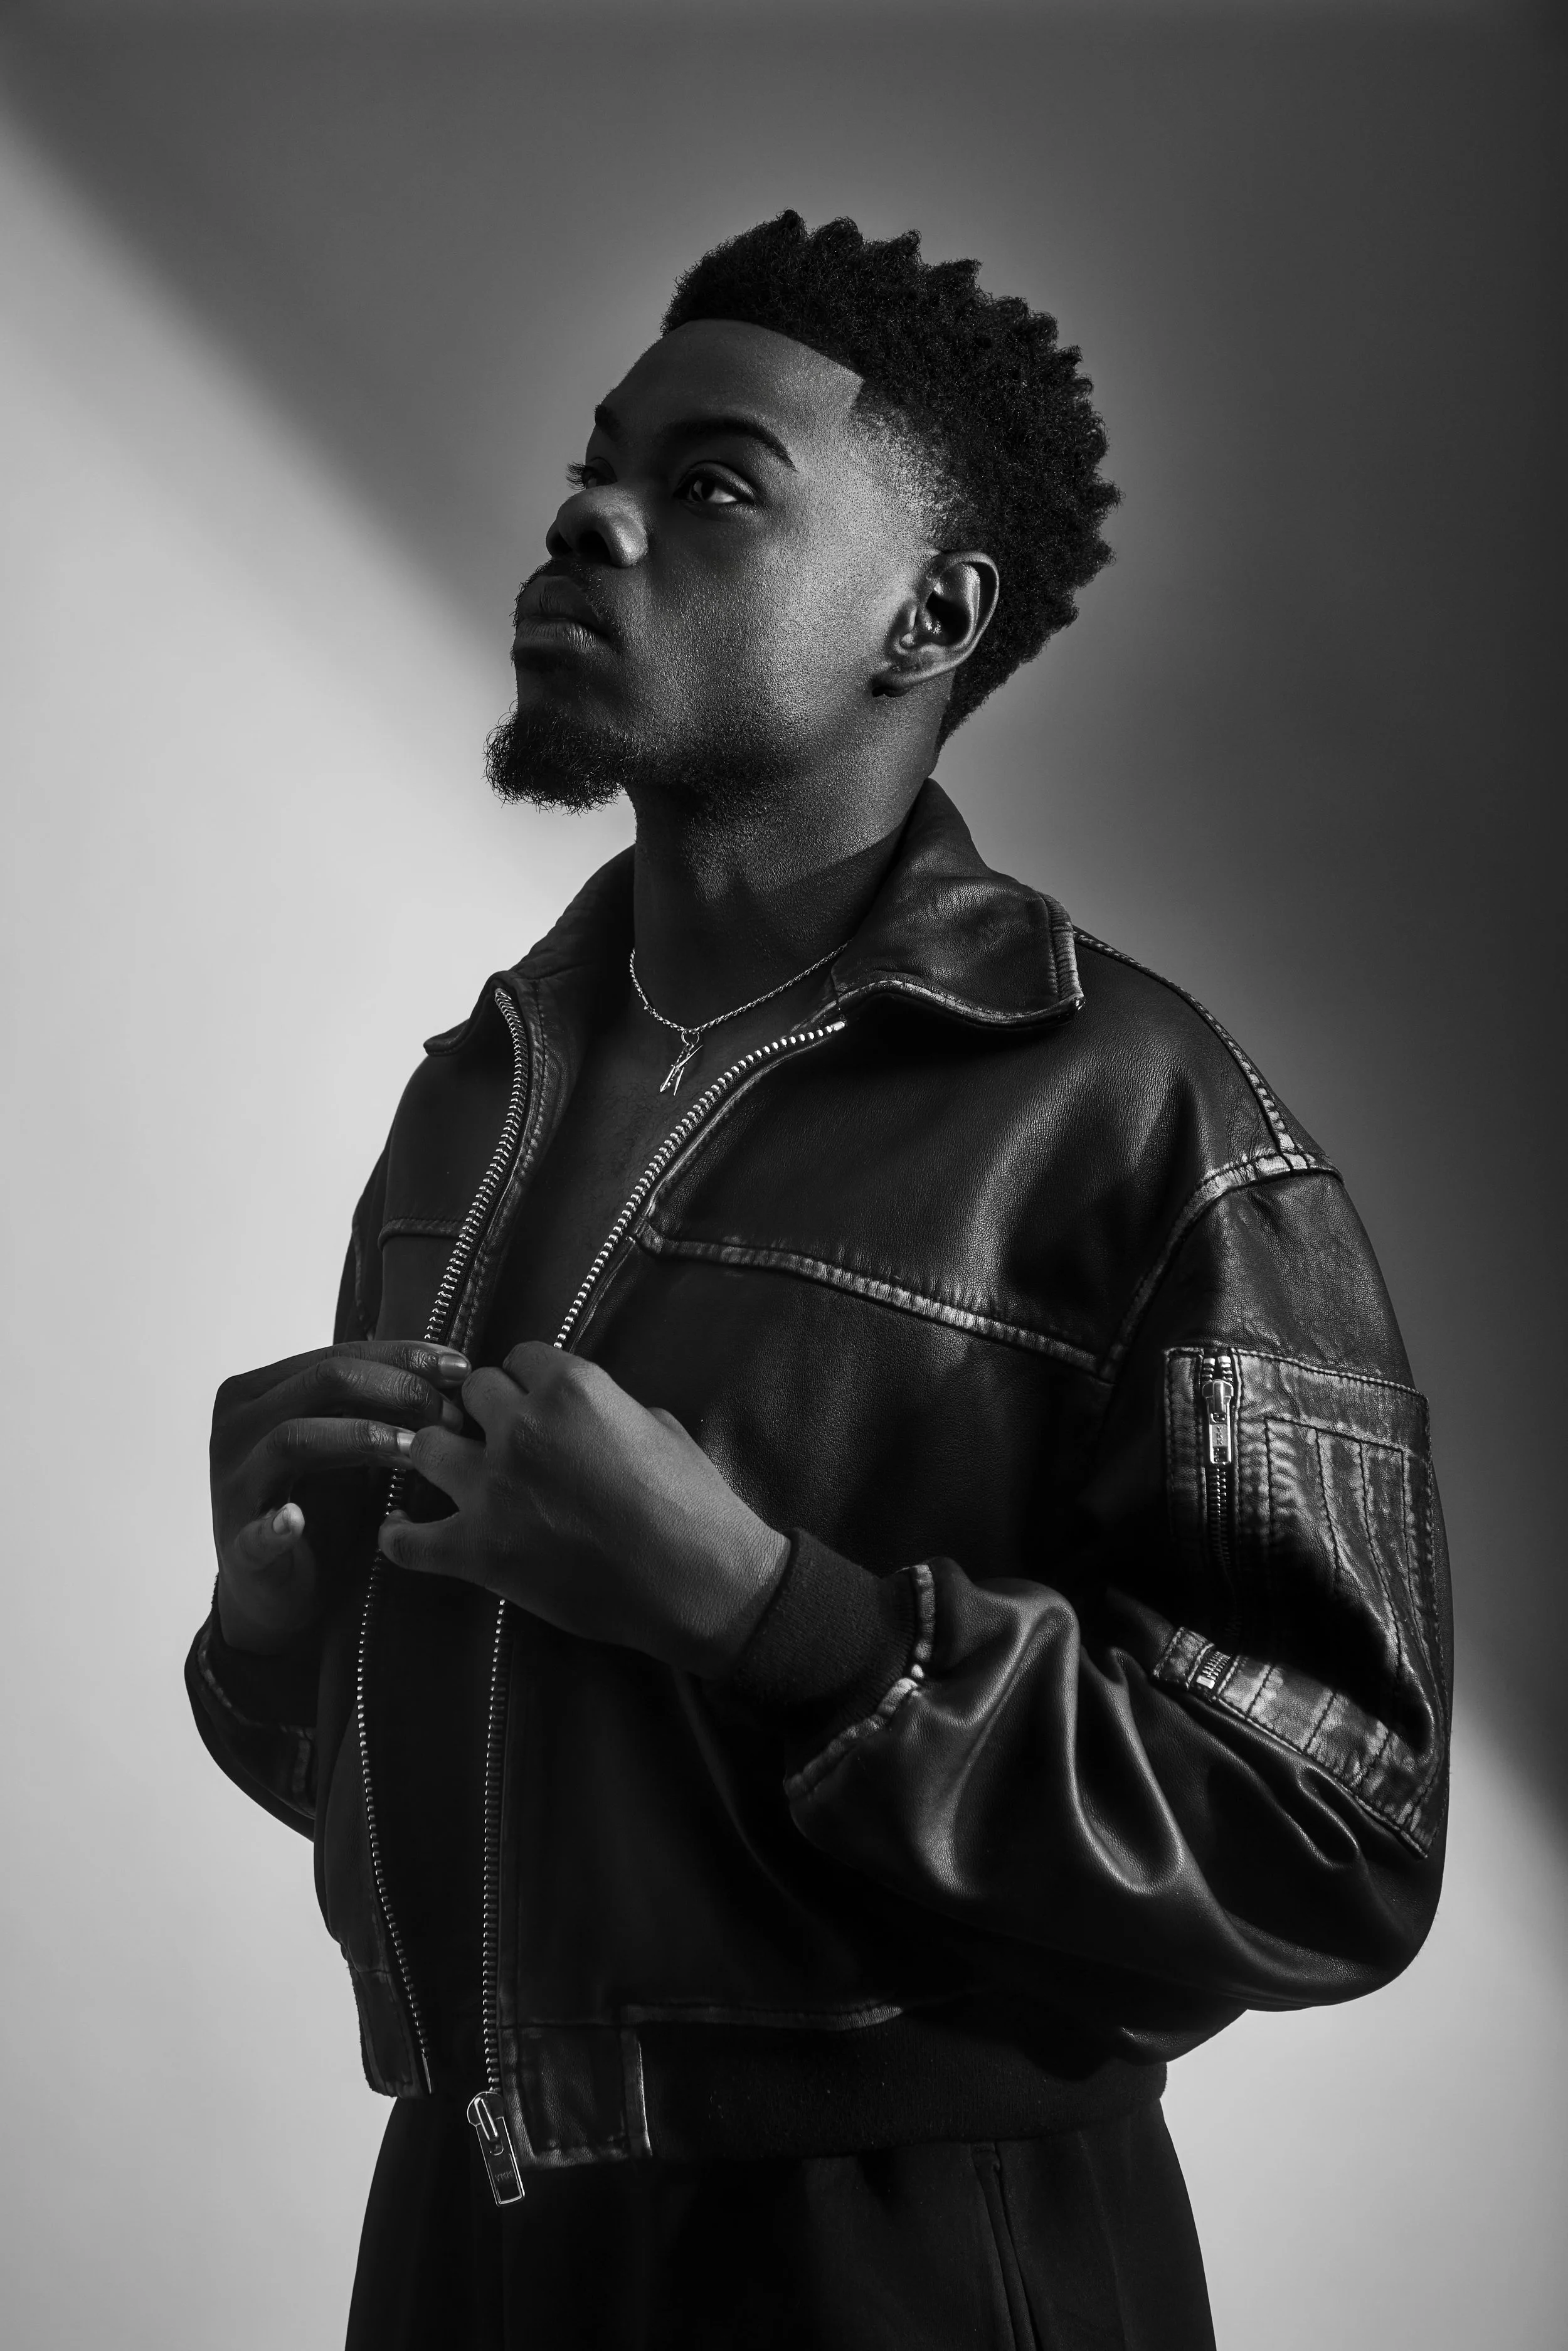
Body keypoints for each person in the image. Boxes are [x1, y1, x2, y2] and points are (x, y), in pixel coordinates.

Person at [188, 213, 1451, 2350]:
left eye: (708, 485)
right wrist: (280, 1655)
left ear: (925, 612)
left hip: (914, 2271)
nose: (587, 510)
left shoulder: (1140, 1117)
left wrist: (770, 1613)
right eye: (597, 460)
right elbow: (550, 1805)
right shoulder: (476, 1090)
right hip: (470, 2252)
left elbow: (1330, 1838)